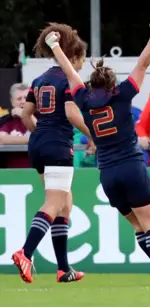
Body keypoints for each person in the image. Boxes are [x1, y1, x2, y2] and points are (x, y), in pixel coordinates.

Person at [47, 21, 150, 287]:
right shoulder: (122, 95)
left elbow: (68, 71)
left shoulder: (84, 100)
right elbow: (143, 64)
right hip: (131, 166)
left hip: (108, 173)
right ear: (112, 83)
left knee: (138, 226)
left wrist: (55, 46)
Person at [11, 23, 95, 284]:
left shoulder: (39, 79)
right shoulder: (70, 80)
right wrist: (93, 135)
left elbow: (26, 115)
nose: (82, 65)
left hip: (37, 144)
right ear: (74, 58)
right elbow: (71, 113)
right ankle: (25, 252)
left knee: (65, 204)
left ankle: (63, 269)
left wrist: (41, 134)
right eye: (82, 59)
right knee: (55, 203)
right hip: (58, 144)